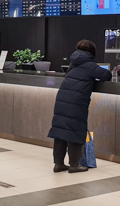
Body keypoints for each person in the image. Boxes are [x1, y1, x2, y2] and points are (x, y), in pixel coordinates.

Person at [48, 40, 111, 173]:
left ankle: (58, 164)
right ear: (92, 52)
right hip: (76, 102)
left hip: (62, 99)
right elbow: (107, 75)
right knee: (75, 130)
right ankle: (74, 165)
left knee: (60, 131)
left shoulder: (74, 63)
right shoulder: (90, 65)